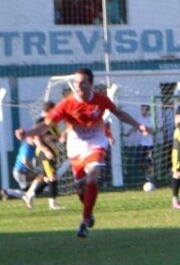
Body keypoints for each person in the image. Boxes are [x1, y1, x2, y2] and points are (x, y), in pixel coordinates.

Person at [15, 67, 151, 237]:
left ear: (91, 84)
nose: (77, 86)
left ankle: (84, 221)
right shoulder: (66, 104)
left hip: (96, 143)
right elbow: (47, 124)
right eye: (75, 82)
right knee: (79, 186)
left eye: (82, 82)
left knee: (93, 175)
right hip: (76, 146)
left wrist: (138, 126)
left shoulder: (101, 100)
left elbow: (119, 113)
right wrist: (27, 133)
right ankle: (89, 212)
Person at [23, 101, 64, 209]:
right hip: (43, 153)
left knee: (46, 178)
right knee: (53, 177)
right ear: (49, 110)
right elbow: (36, 138)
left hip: (51, 152)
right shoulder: (41, 122)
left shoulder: (53, 122)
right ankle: (52, 203)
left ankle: (29, 194)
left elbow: (58, 137)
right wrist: (45, 150)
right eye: (54, 110)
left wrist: (53, 138)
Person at [124, 103, 155, 185]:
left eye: (144, 109)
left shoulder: (152, 119)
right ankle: (147, 174)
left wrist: (147, 130)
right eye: (141, 109)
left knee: (150, 162)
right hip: (142, 144)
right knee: (140, 162)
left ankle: (150, 179)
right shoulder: (140, 118)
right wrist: (129, 133)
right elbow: (136, 126)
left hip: (150, 145)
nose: (142, 111)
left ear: (148, 110)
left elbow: (154, 130)